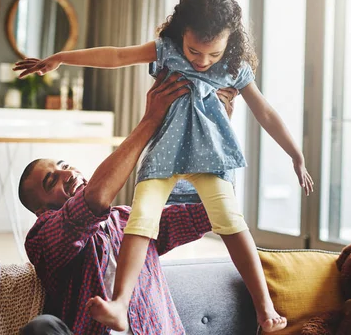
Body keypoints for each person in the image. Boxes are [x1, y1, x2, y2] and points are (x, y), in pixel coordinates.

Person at [14, 0, 314, 333]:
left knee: (231, 222)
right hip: (162, 160)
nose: (201, 62)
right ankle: (119, 304)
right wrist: (64, 57)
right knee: (140, 221)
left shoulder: (232, 69)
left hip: (209, 161)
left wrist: (292, 153)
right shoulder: (45, 237)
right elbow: (115, 56)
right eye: (51, 180)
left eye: (212, 54)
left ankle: (265, 308)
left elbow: (265, 113)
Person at [18, 69, 239, 335]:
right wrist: (151, 119)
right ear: (41, 209)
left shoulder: (130, 219)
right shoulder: (41, 238)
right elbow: (92, 203)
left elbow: (207, 212)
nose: (68, 174)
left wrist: (216, 128)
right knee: (41, 328)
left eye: (64, 165)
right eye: (51, 181)